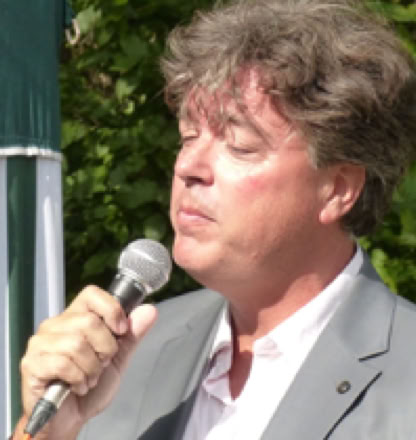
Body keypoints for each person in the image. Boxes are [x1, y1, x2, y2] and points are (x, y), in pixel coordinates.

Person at [12, 0, 416, 439]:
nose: (188, 166)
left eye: (240, 145)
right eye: (188, 136)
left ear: (337, 189)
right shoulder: (124, 354)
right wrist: (51, 431)